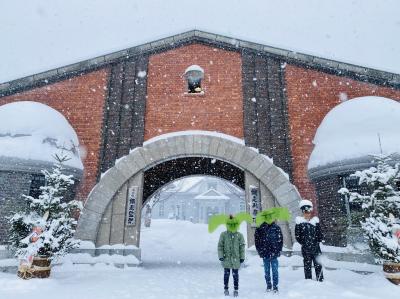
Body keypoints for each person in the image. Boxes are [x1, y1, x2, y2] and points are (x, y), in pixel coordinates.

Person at [295, 199, 324, 281]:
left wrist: (316, 241)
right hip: (306, 248)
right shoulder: (300, 223)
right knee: (307, 265)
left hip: (316, 248)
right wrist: (304, 243)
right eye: (305, 212)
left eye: (308, 212)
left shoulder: (315, 222)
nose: (307, 214)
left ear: (310, 213)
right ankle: (308, 280)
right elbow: (297, 236)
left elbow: (320, 234)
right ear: (303, 213)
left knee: (318, 264)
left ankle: (320, 279)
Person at [218, 215, 245, 297]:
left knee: (235, 275)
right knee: (226, 274)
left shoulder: (239, 235)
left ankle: (236, 289)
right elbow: (220, 246)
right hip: (226, 258)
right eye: (230, 224)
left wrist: (242, 257)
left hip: (236, 258)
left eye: (234, 224)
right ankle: (226, 288)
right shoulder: (223, 235)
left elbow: (242, 247)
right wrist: (221, 255)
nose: (232, 226)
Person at [255, 215, 283, 293]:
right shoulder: (260, 228)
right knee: (267, 271)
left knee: (275, 271)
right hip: (265, 253)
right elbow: (257, 241)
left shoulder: (276, 228)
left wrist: (278, 250)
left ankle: (275, 287)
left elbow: (280, 240)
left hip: (274, 253)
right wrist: (260, 251)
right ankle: (268, 285)